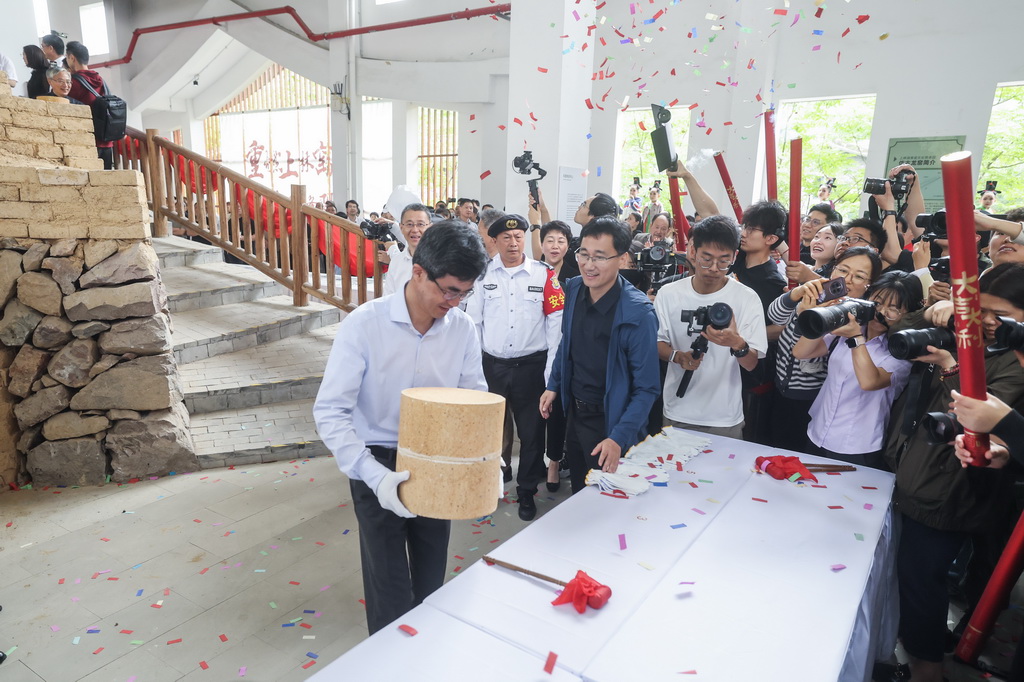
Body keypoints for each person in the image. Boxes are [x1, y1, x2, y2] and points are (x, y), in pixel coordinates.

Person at [312, 221, 489, 635]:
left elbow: (473, 402)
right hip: (375, 460)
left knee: (431, 583)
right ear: (418, 271)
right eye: (449, 290)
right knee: (389, 588)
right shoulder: (364, 324)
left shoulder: (462, 328)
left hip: (437, 461)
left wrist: (482, 462)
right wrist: (375, 476)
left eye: (465, 293)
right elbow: (331, 412)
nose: (456, 302)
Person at [884, 262, 1024, 682]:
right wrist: (928, 315)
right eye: (978, 307)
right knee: (905, 572)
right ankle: (912, 649)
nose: (983, 320)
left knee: (922, 577)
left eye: (998, 314)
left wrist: (950, 366)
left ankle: (928, 667)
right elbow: (896, 341)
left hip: (951, 485)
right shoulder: (966, 330)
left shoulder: (1015, 362)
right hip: (912, 466)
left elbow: (976, 418)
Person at [540, 217, 660, 494]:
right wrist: (554, 384)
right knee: (581, 492)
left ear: (622, 258)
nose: (588, 265)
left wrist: (618, 438)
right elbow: (566, 343)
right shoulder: (574, 288)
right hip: (576, 414)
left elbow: (647, 388)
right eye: (583, 254)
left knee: (609, 503)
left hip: (612, 422)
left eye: (600, 257)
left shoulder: (638, 314)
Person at [465, 214, 564, 521]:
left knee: (532, 433)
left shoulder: (544, 275)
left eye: (519, 236)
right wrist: (474, 371)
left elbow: (555, 327)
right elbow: (474, 324)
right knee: (488, 432)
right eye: (506, 238)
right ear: (495, 241)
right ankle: (487, 487)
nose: (513, 242)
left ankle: (526, 492)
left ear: (525, 238)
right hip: (491, 366)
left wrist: (550, 377)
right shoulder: (482, 276)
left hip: (530, 368)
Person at [655, 215, 767, 440]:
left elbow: (752, 363)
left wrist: (736, 343)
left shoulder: (746, 298)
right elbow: (657, 342)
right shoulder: (669, 293)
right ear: (693, 252)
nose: (714, 268)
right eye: (706, 259)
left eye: (724, 261)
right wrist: (677, 356)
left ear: (735, 256)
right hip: (677, 409)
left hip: (724, 416)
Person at [792, 271, 920, 467]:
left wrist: (855, 339)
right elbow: (801, 352)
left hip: (856, 446)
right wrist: (823, 314)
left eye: (893, 309)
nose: (881, 312)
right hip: (818, 430)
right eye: (877, 302)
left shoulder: (901, 351)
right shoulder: (851, 328)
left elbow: (870, 382)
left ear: (909, 314)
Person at [766, 246, 880, 452]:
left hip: (809, 398)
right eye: (843, 270)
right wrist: (796, 293)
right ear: (833, 269)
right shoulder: (816, 293)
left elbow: (803, 354)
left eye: (860, 276)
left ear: (869, 284)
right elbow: (775, 316)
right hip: (780, 386)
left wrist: (807, 316)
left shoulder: (853, 318)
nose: (848, 279)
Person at [534, 220, 578, 490]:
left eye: (561, 241)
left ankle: (554, 462)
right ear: (542, 243)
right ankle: (535, 460)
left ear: (568, 245)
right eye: (550, 240)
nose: (555, 246)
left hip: (565, 352)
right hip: (537, 349)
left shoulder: (576, 275)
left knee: (558, 411)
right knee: (537, 411)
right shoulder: (534, 272)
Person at [64, 41, 114, 170]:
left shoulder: (74, 82)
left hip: (89, 142)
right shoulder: (100, 79)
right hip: (107, 141)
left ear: (72, 58)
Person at [382, 203, 432, 296]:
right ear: (401, 227)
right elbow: (388, 297)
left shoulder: (440, 261)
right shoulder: (396, 261)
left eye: (420, 224)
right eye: (409, 224)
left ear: (429, 227)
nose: (415, 230)